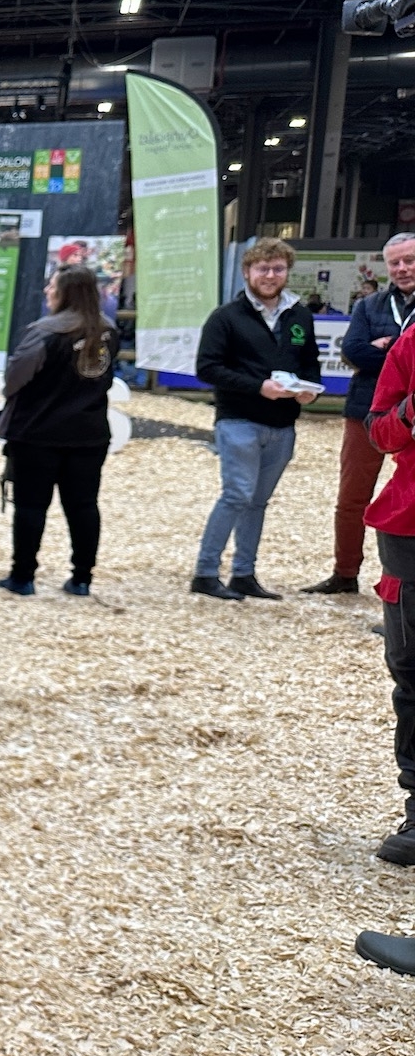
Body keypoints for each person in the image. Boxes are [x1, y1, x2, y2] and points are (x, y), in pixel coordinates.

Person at [190, 237, 321, 601]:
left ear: (287, 272)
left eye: (278, 268)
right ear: (247, 271)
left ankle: (244, 573)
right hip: (239, 419)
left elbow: (309, 360)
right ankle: (205, 572)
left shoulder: (299, 314)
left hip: (283, 423)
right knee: (236, 494)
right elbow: (207, 367)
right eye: (263, 268)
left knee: (258, 501)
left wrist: (311, 388)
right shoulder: (226, 317)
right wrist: (256, 387)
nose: (270, 275)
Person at [0, 265, 116, 597]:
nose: (47, 290)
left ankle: (23, 576)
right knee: (84, 506)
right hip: (90, 434)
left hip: (38, 434)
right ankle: (81, 578)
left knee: (31, 506)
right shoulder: (107, 331)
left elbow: (13, 381)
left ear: (66, 292)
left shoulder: (44, 332)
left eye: (52, 285)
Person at [307, 231, 415, 594]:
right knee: (352, 496)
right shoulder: (369, 306)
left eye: (409, 260)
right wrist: (400, 354)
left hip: (411, 416)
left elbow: (371, 354)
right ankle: (345, 571)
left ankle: (401, 584)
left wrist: (387, 348)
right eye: (395, 263)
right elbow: (352, 351)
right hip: (368, 411)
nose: (402, 269)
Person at [359, 323, 415, 866]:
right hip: (409, 523)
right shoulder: (412, 341)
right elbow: (378, 429)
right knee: (412, 667)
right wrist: (410, 412)